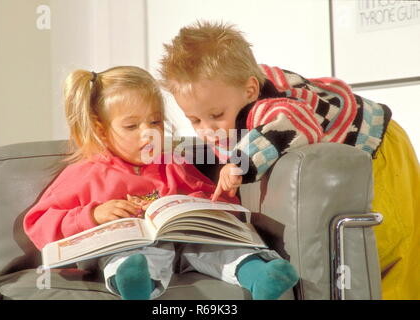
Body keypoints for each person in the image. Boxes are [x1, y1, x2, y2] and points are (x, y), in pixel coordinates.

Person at [159, 21, 420, 300]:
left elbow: (295, 123)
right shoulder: (234, 90)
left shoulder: (267, 106)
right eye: (195, 120)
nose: (206, 130)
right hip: (356, 143)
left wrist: (240, 163)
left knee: (393, 246)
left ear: (249, 91)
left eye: (216, 115)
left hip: (378, 145)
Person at [23, 66, 299, 300]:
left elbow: (203, 195)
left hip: (184, 244)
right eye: (131, 126)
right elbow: (38, 223)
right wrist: (93, 214)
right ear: (100, 129)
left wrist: (218, 201)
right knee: (130, 255)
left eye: (155, 122)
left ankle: (260, 275)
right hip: (129, 248)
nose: (148, 133)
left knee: (218, 247)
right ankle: (135, 283)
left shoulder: (171, 162)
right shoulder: (85, 173)